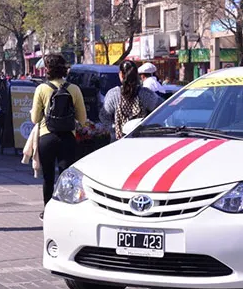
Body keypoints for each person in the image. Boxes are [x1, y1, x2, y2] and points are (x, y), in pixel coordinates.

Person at [30, 53, 88, 219]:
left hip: (46, 137)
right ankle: (67, 210)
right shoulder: (74, 89)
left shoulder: (41, 89)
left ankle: (48, 211)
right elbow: (82, 119)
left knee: (48, 178)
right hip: (67, 138)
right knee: (67, 176)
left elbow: (34, 118)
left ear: (47, 70)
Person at [100, 60, 163, 141]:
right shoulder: (145, 94)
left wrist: (114, 128)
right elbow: (162, 110)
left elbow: (103, 116)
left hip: (118, 143)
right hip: (143, 141)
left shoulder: (113, 94)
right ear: (137, 75)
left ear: (121, 75)